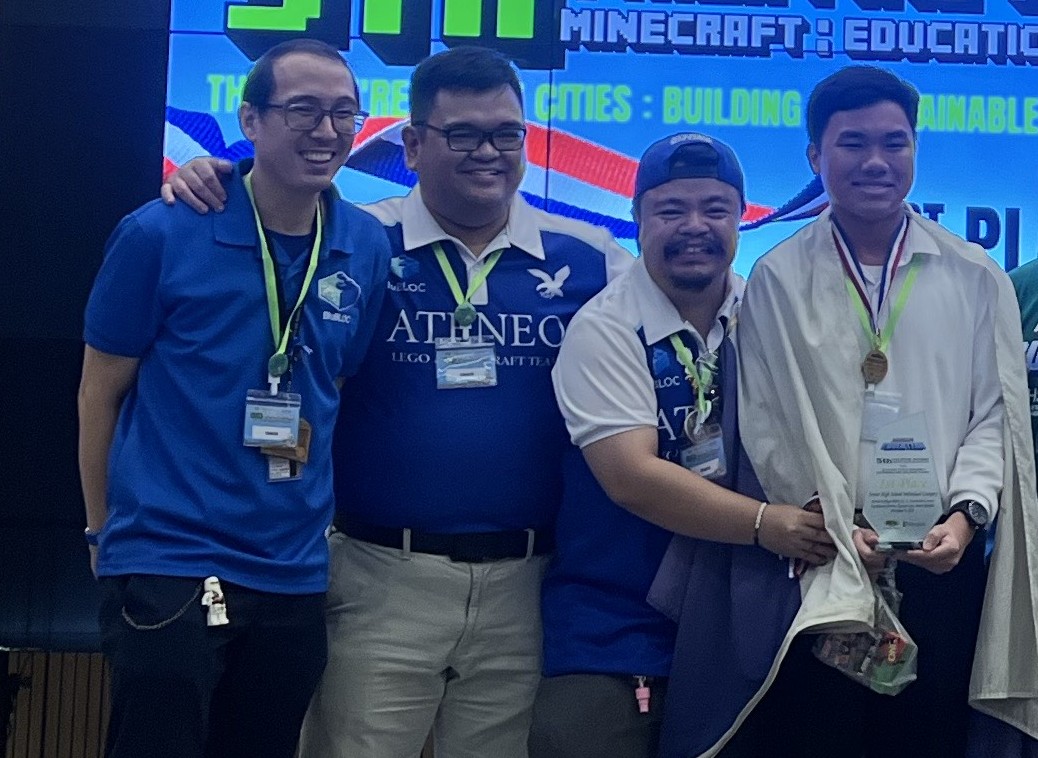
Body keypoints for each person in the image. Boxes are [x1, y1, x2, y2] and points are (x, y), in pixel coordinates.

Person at [164, 45, 632, 758]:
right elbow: (266, 222)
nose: (489, 152)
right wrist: (212, 174)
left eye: (507, 133)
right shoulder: (354, 240)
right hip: (379, 576)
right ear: (413, 145)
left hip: (528, 584)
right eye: (463, 134)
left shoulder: (592, 258)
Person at [77, 39, 390, 758]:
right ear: (250, 119)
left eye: (345, 112)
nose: (327, 130)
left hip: (292, 568)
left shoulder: (365, 244)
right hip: (169, 559)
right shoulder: (160, 231)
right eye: (303, 109)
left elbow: (331, 384)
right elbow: (99, 392)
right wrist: (102, 534)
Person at [736, 64, 1034, 758]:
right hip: (829, 560)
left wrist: (966, 516)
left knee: (927, 740)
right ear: (816, 157)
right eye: (853, 143)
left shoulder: (972, 273)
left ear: (915, 149)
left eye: (895, 143)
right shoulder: (778, 275)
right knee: (816, 737)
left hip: (942, 559)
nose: (876, 162)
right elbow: (767, 420)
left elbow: (994, 417)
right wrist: (835, 526)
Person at [530, 132, 836, 758]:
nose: (695, 227)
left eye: (715, 209)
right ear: (637, 218)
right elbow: (632, 478)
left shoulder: (770, 315)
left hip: (743, 622)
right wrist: (766, 524)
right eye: (672, 210)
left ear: (741, 219)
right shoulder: (606, 327)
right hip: (618, 626)